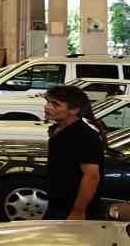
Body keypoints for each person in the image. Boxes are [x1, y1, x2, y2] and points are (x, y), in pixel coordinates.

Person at [42, 84, 106, 220]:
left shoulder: (85, 136)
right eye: (48, 102)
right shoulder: (57, 129)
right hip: (57, 204)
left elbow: (91, 176)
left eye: (55, 104)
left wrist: (78, 211)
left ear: (74, 110)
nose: (47, 107)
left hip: (73, 209)